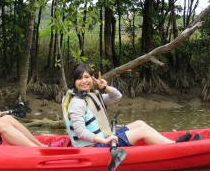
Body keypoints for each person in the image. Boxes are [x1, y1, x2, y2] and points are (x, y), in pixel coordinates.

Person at [62, 63, 203, 147]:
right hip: (94, 146)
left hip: (105, 138)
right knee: (143, 132)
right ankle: (174, 147)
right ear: (74, 82)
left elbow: (117, 97)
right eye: (79, 78)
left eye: (87, 77)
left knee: (140, 123)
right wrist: (105, 141)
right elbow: (80, 132)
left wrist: (105, 87)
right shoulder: (77, 103)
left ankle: (170, 143)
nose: (84, 81)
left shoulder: (92, 96)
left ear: (92, 79)